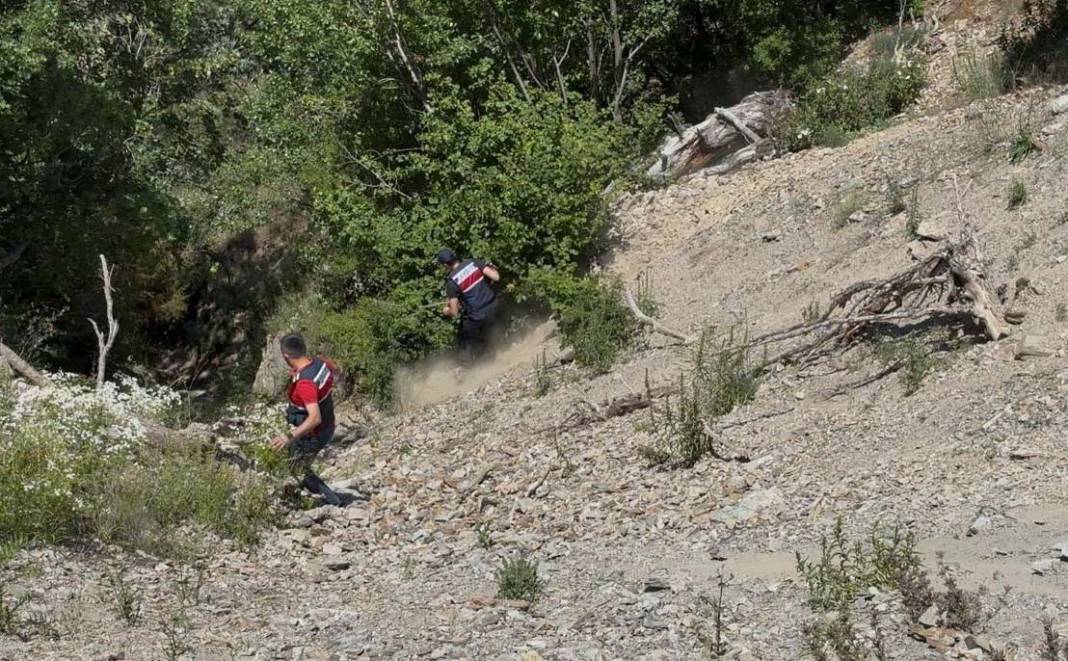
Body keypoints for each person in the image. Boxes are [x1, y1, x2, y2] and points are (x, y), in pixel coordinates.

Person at [269, 334, 343, 507]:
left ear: (286, 356)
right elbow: (336, 372)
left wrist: (289, 436)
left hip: (315, 432)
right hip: (328, 424)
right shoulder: (320, 362)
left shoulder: (305, 384)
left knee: (299, 470)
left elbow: (314, 418)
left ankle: (336, 503)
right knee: (294, 463)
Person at [437, 248, 501, 364]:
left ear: (445, 265)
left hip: (478, 315)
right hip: (493, 305)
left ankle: (465, 368)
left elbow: (455, 312)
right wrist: (494, 269)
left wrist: (446, 310)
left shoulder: (452, 282)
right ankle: (493, 355)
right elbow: (496, 277)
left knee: (463, 336)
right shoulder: (473, 262)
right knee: (487, 332)